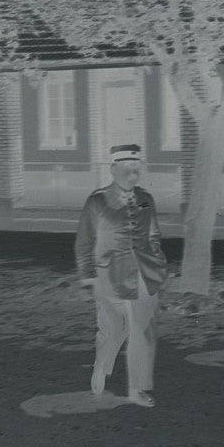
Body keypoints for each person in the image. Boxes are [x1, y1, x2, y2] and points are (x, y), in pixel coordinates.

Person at [75, 144, 167, 408]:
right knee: (114, 329)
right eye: (127, 169)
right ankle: (101, 364)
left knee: (143, 332)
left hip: (144, 275)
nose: (133, 174)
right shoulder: (98, 201)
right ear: (113, 169)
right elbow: (84, 242)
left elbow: (154, 234)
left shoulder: (146, 199)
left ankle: (137, 389)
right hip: (109, 275)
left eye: (136, 169)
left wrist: (159, 260)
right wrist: (89, 277)